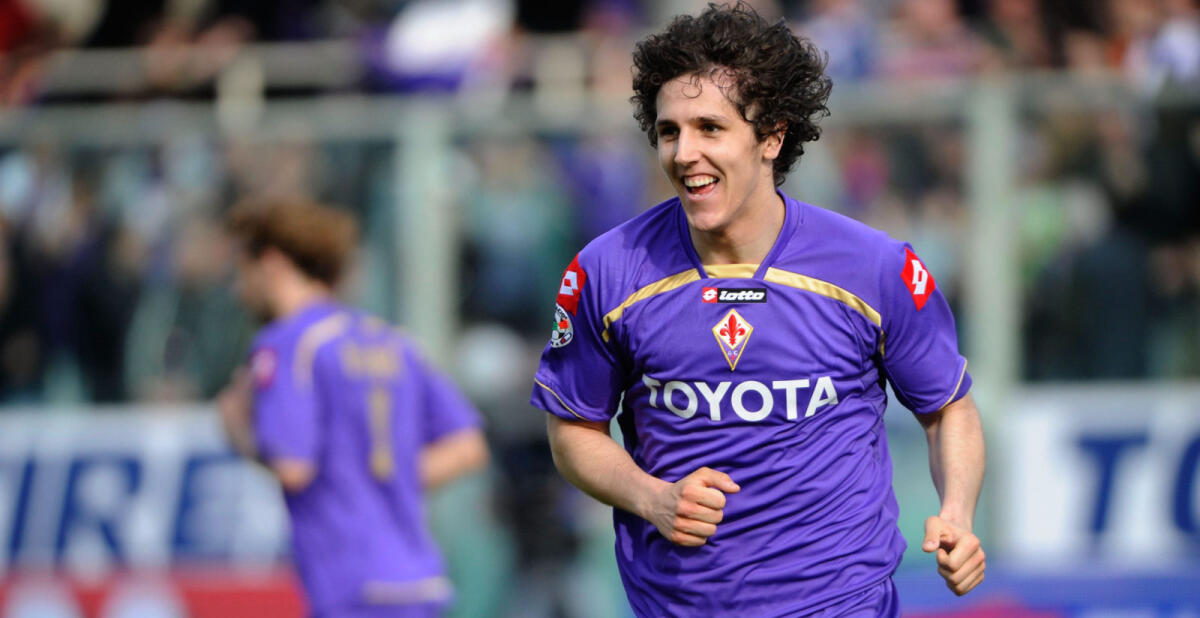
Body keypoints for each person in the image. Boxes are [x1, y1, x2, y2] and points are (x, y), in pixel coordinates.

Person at [529, 3, 986, 616]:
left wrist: (957, 511)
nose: (684, 152)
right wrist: (652, 497)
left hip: (840, 603)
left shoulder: (873, 267)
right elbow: (573, 430)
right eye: (669, 131)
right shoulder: (607, 271)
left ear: (771, 135)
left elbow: (947, 406)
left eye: (709, 128)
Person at [218, 199, 489, 618]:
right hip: (415, 577)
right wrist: (380, 479)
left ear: (270, 264)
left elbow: (294, 467)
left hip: (349, 580)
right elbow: (468, 447)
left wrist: (239, 432)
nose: (237, 291)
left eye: (240, 272)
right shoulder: (391, 341)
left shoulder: (285, 343)